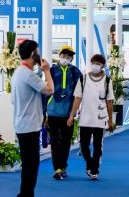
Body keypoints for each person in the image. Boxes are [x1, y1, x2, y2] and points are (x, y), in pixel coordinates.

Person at [12, 40, 54, 197]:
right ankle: (26, 194)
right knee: (31, 165)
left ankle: (25, 193)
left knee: (28, 164)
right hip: (29, 125)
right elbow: (50, 89)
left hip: (23, 124)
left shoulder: (18, 72)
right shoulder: (28, 74)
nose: (40, 54)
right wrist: (47, 70)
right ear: (33, 54)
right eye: (38, 51)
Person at [68, 53, 113, 180]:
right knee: (83, 145)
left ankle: (95, 169)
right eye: (93, 63)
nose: (95, 66)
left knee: (98, 146)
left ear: (102, 66)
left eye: (98, 64)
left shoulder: (107, 81)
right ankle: (89, 162)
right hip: (85, 119)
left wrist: (110, 120)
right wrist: (71, 116)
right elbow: (77, 98)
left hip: (100, 118)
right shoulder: (83, 79)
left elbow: (110, 101)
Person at [46, 45, 81, 179]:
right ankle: (58, 168)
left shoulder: (75, 72)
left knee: (66, 142)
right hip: (53, 113)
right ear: (59, 56)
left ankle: (63, 166)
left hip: (68, 114)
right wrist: (44, 112)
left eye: (69, 56)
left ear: (71, 58)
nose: (66, 58)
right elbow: (45, 91)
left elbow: (80, 92)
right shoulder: (51, 70)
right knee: (54, 142)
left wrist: (75, 113)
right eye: (64, 55)